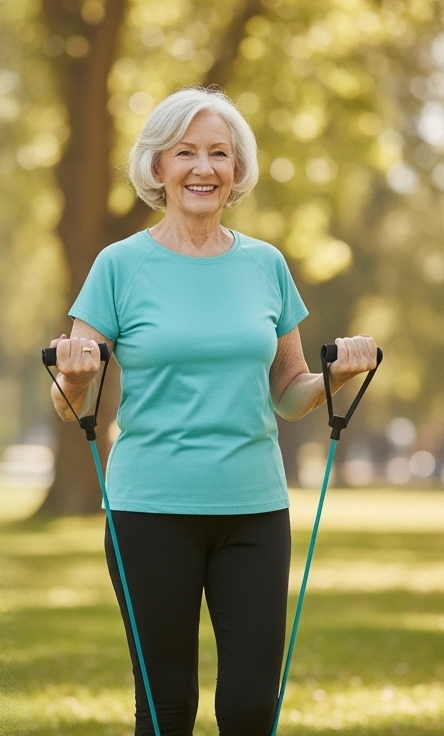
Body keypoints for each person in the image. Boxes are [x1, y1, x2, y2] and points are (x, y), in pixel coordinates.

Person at [49, 87, 378, 736]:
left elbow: (288, 392)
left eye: (219, 154)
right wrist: (74, 375)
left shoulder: (266, 265)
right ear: (159, 168)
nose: (203, 167)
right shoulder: (119, 266)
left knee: (251, 709)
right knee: (168, 710)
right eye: (186, 153)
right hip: (150, 509)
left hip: (253, 510)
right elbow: (69, 409)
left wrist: (332, 379)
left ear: (237, 171)